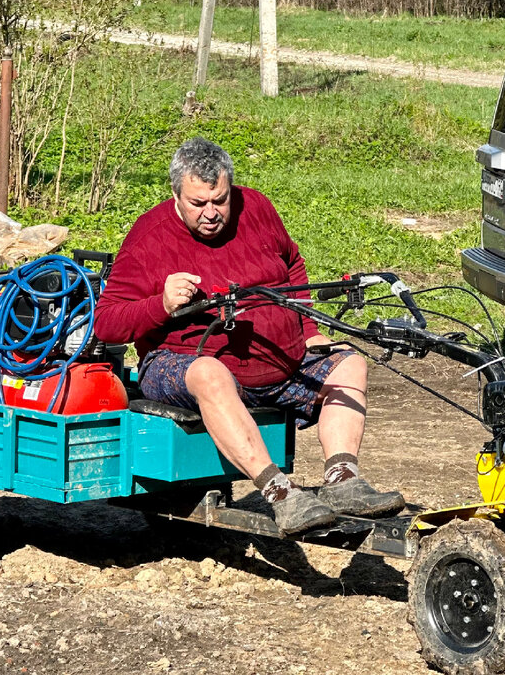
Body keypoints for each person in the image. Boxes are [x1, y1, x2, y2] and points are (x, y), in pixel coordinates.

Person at [93, 138, 404, 536]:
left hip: (276, 361)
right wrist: (162, 304)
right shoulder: (149, 236)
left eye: (219, 201)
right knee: (209, 372)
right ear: (176, 195)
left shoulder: (255, 207)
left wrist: (307, 330)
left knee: (349, 364)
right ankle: (280, 494)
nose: (210, 213)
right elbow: (107, 322)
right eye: (197, 203)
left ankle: (342, 481)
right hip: (179, 364)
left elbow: (292, 265)